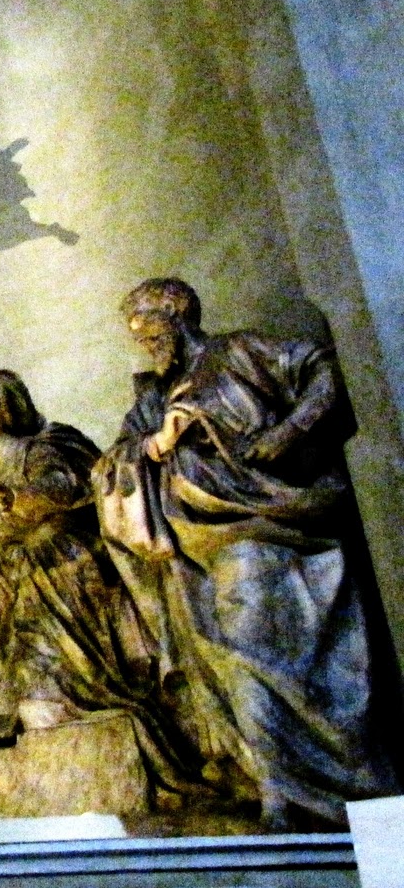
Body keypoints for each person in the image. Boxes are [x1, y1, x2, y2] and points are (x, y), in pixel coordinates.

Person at [96, 277, 396, 828]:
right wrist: (156, 443)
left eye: (145, 321)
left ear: (178, 311)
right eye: (133, 328)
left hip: (258, 529)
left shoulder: (238, 351)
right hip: (190, 554)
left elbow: (323, 369)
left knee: (258, 653)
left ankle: (327, 793)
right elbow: (114, 462)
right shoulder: (152, 396)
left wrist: (288, 431)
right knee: (227, 668)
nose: (139, 336)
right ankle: (278, 788)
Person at [0, 368, 202, 797]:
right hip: (33, 605)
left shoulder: (51, 445)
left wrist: (24, 500)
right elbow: (8, 570)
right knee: (36, 706)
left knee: (76, 700)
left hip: (77, 585)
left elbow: (71, 483)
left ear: (2, 410)